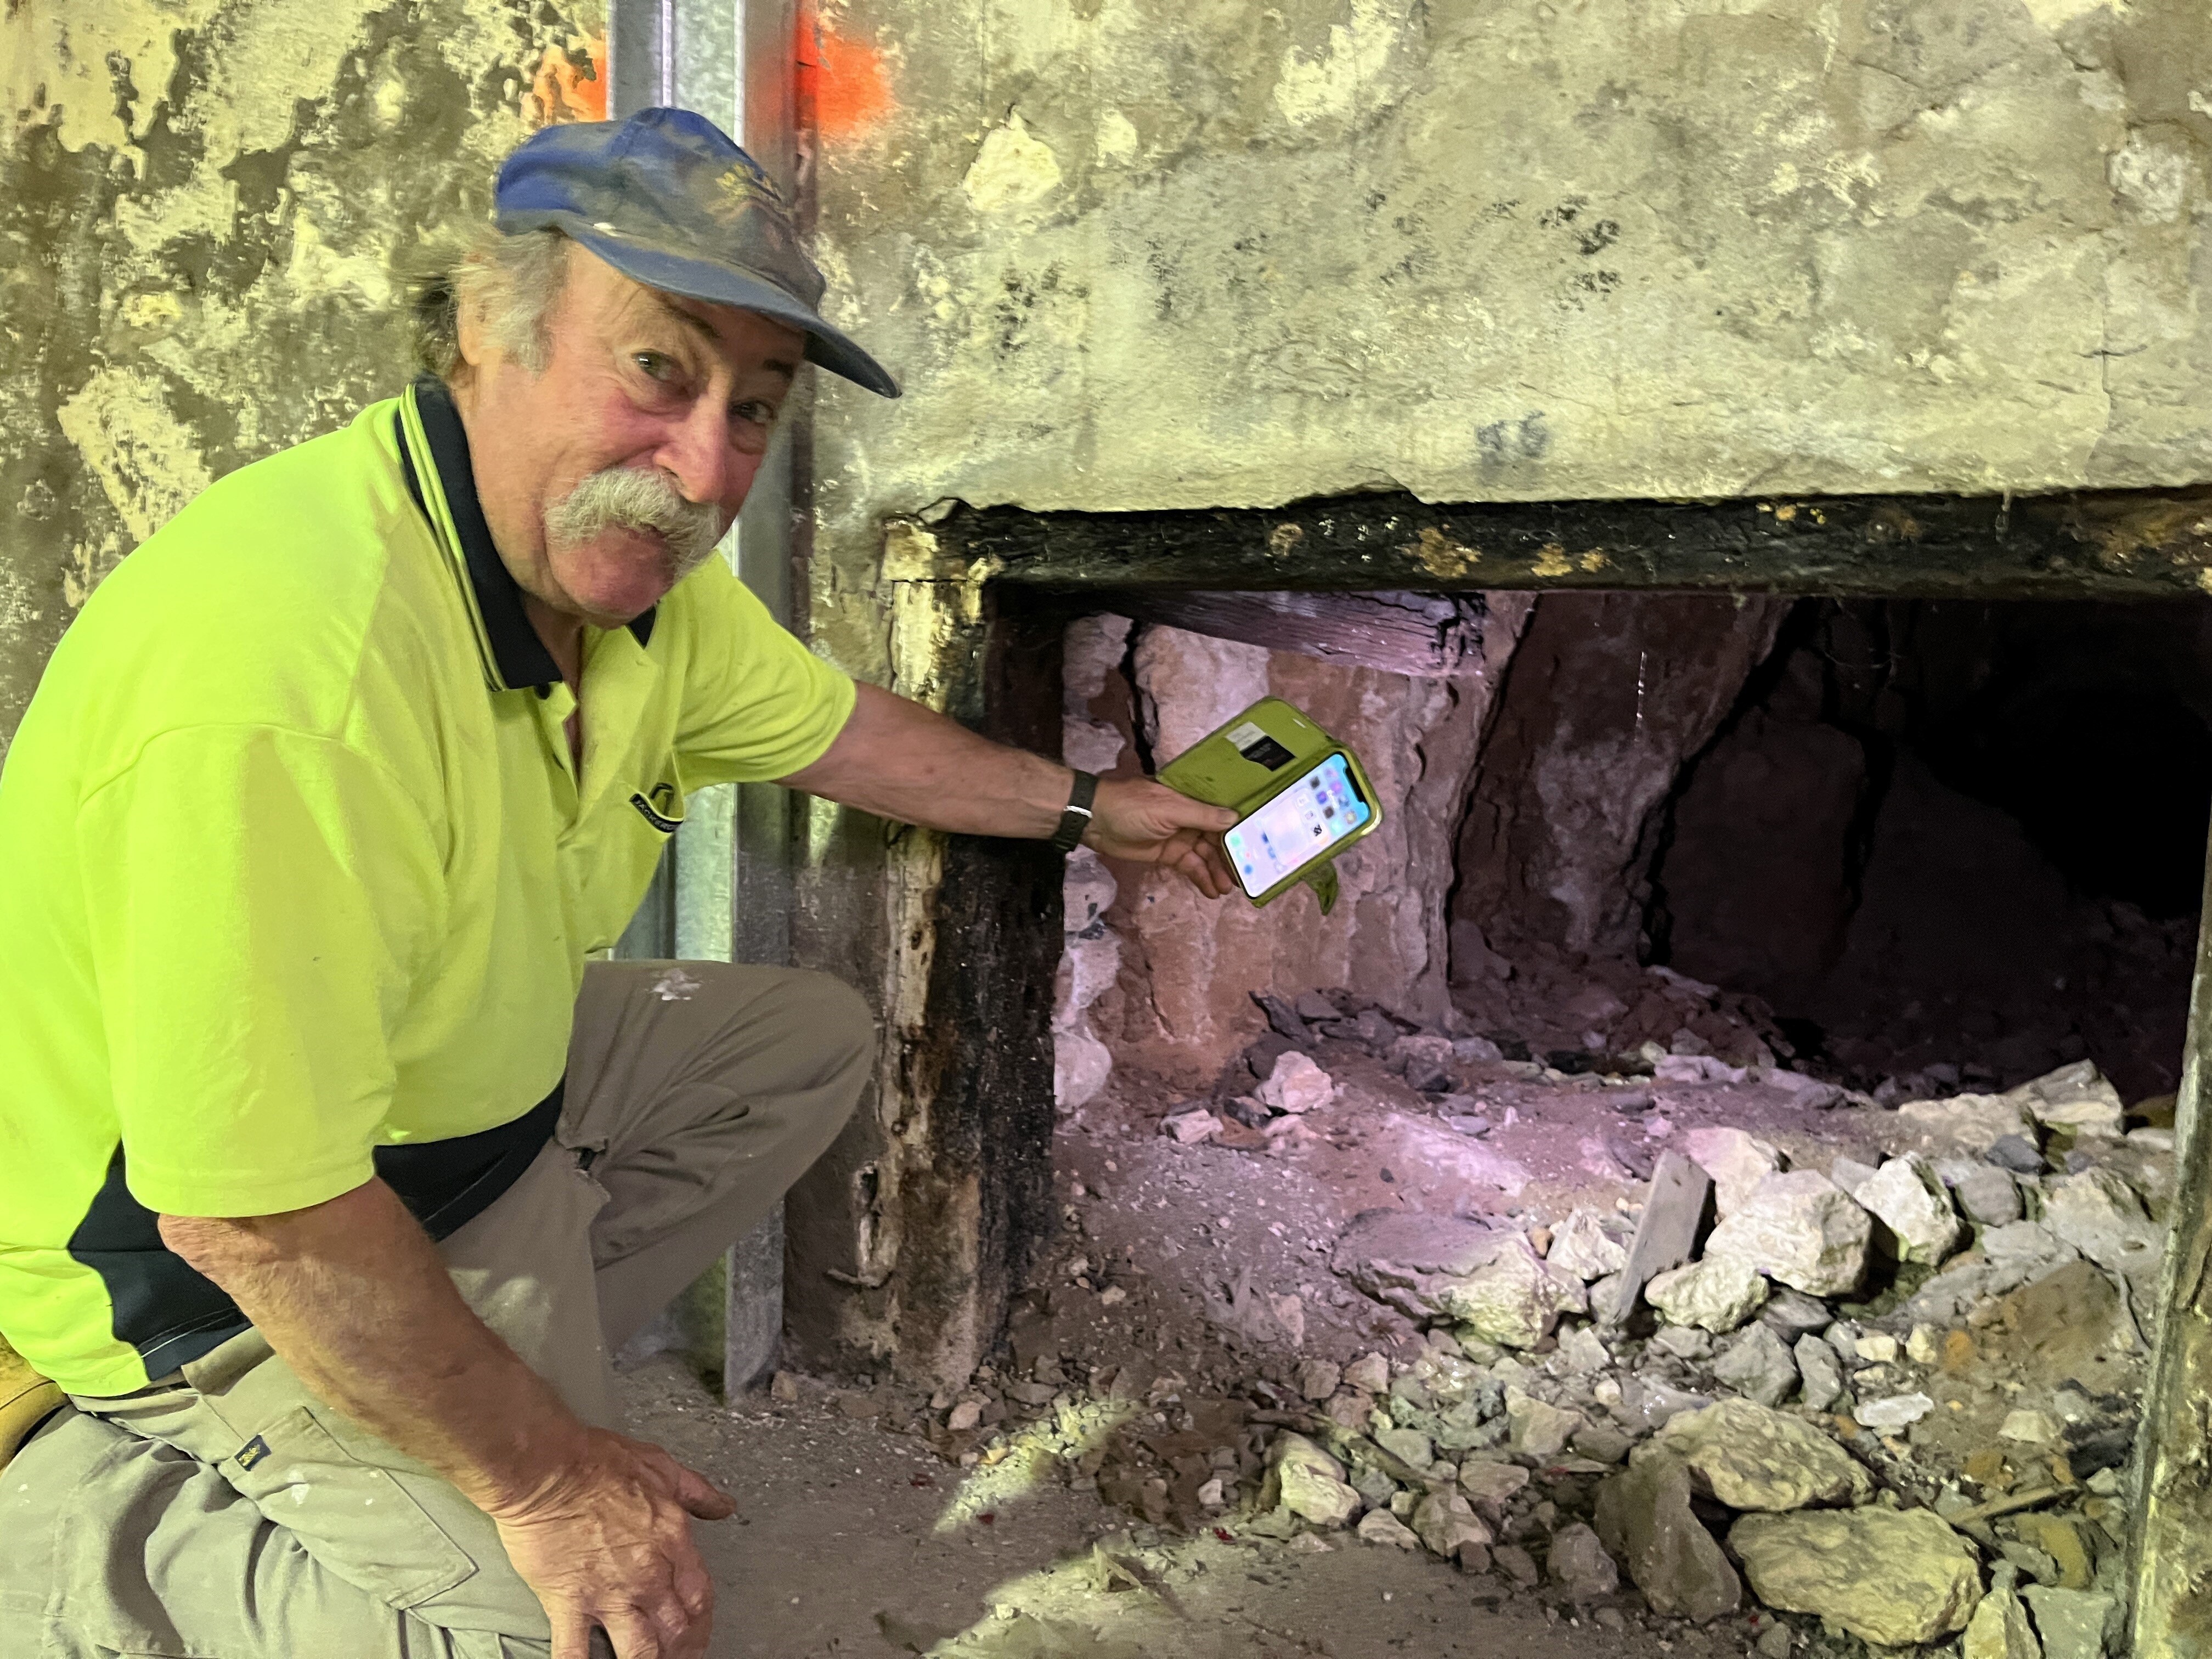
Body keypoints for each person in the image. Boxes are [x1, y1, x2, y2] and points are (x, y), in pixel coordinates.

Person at [0, 108, 1235, 1659]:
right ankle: (78, 1536)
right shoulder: (293, 687)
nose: (704, 465)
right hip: (197, 1264)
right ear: (485, 329)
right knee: (550, 1630)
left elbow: (844, 735)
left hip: (434, 1134)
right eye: (659, 369)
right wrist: (547, 1475)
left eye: (756, 408)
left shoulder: (634, 592)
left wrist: (1092, 809)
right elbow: (252, 1216)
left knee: (796, 1046)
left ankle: (425, 1365)